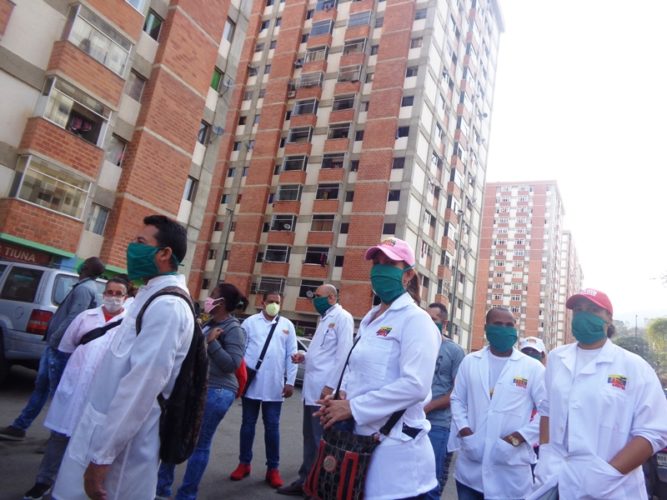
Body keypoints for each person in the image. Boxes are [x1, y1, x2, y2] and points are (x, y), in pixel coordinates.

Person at [52, 215, 194, 500]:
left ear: (165, 254)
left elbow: (141, 388)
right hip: (98, 430)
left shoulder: (168, 307)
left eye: (140, 242)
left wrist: (103, 457)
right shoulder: (148, 295)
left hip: (121, 454)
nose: (131, 248)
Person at [315, 237, 441, 499]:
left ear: (407, 276)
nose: (380, 269)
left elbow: (416, 386)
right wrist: (342, 395)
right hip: (360, 446)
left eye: (389, 263)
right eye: (376, 262)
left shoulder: (417, 321)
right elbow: (358, 369)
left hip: (398, 455)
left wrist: (353, 407)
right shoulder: (371, 319)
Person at [530, 289, 667, 499]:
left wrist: (607, 474)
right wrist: (546, 455)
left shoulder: (634, 366)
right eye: (579, 310)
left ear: (609, 318)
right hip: (556, 478)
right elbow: (547, 410)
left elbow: (654, 432)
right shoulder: (557, 358)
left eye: (594, 310)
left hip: (613, 488)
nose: (584, 315)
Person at [22, 277, 129, 500]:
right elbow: (67, 346)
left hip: (100, 394)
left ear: (126, 298)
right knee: (59, 437)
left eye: (119, 293)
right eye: (110, 292)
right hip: (74, 385)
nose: (113, 297)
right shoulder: (86, 317)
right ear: (103, 294)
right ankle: (43, 482)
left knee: (86, 442)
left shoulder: (128, 325)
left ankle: (68, 489)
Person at [156, 282, 248, 500]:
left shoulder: (234, 329)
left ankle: (187, 494)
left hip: (217, 391)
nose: (208, 297)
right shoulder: (208, 323)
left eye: (213, 294)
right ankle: (161, 489)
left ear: (221, 302)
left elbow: (232, 365)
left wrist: (212, 344)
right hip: (195, 387)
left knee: (200, 444)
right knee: (175, 433)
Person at [0, 257, 105, 441]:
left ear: (87, 268)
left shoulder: (84, 289)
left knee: (59, 394)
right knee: (42, 388)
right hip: (55, 346)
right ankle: (20, 426)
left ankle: (56, 436)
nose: (82, 265)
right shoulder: (83, 287)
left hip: (60, 348)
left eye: (85, 263)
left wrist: (56, 338)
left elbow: (74, 317)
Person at [449, 306, 546, 500]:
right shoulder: (470, 362)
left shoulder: (532, 367)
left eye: (509, 325)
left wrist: (518, 437)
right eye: (498, 324)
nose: (504, 329)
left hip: (511, 469)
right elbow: (457, 400)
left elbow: (547, 412)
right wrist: (465, 430)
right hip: (471, 469)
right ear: (486, 328)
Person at [277, 284, 354, 496]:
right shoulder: (325, 319)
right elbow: (322, 352)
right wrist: (305, 356)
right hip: (311, 390)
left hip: (324, 391)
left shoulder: (342, 317)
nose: (314, 299)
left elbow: (343, 355)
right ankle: (306, 480)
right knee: (309, 437)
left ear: (331, 297)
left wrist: (330, 386)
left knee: (321, 440)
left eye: (318, 296)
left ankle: (319, 485)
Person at [229, 290, 298, 489]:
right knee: (247, 426)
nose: (274, 305)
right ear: (262, 302)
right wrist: (237, 379)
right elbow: (239, 352)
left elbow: (291, 355)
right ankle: (244, 463)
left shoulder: (287, 326)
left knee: (272, 429)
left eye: (277, 302)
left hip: (275, 387)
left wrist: (290, 382)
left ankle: (273, 469)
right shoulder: (250, 323)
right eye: (270, 301)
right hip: (252, 385)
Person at [424, 303, 465, 500]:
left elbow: (456, 392)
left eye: (434, 320)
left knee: (432, 481)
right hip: (409, 421)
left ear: (444, 323)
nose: (429, 323)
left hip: (438, 424)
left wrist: (429, 407)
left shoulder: (454, 351)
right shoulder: (416, 344)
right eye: (427, 319)